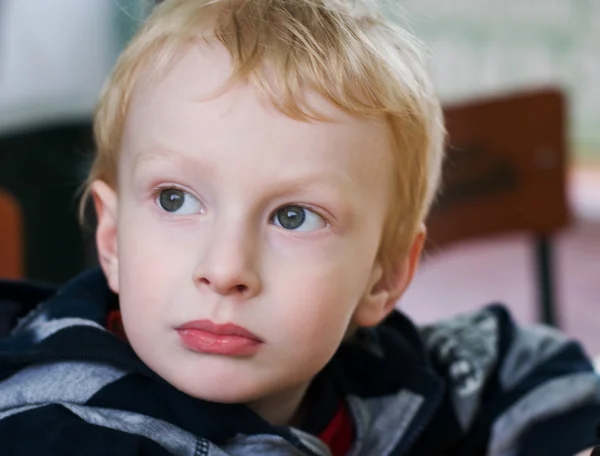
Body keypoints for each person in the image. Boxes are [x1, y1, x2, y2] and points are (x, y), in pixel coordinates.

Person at [0, 0, 598, 454]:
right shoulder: (55, 428)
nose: (226, 268)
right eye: (177, 200)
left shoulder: (384, 376)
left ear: (383, 277)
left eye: (294, 216)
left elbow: (530, 370)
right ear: (112, 241)